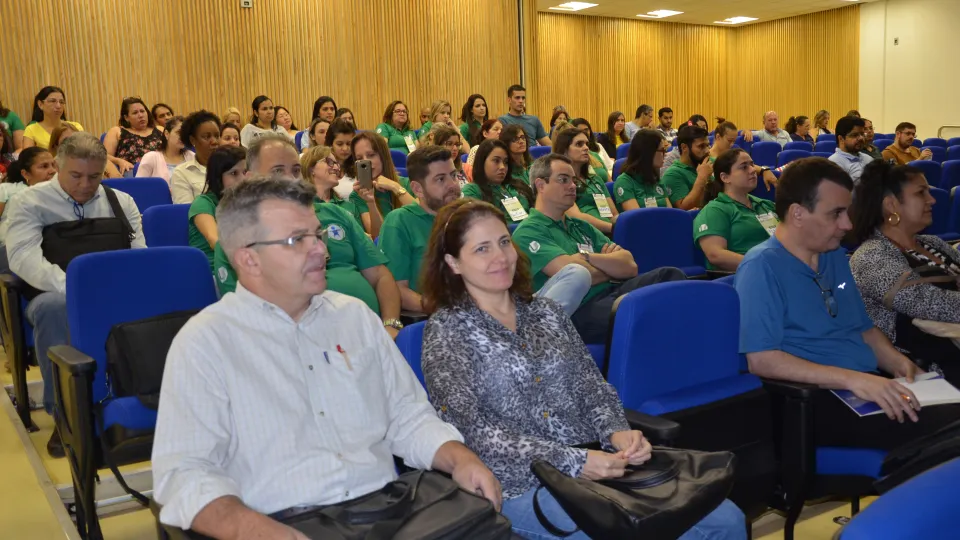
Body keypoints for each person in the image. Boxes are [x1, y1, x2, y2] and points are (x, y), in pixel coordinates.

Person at [152, 176, 500, 538]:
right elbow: (185, 475)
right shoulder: (206, 342)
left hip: (387, 511)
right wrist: (261, 533)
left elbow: (408, 417)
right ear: (248, 258)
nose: (322, 250)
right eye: (297, 240)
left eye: (317, 235)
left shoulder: (355, 317)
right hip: (279, 522)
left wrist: (460, 458)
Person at [420, 199, 746, 540]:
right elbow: (473, 432)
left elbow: (591, 385)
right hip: (518, 483)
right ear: (453, 262)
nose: (500, 257)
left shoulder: (547, 312)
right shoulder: (446, 331)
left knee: (726, 521)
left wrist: (618, 432)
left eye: (504, 242)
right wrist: (574, 461)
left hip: (598, 464)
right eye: (481, 249)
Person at [736, 157, 960, 450]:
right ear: (798, 214)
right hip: (815, 400)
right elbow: (762, 360)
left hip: (861, 387)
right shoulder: (761, 267)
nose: (848, 223)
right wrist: (853, 380)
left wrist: (899, 364)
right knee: (948, 430)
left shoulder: (831, 256)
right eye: (837, 213)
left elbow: (864, 329)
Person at [6, 133, 144, 457]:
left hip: (113, 290)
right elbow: (24, 258)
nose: (85, 184)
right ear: (58, 166)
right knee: (55, 308)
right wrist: (76, 288)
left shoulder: (121, 202)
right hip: (54, 292)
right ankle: (67, 417)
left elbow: (139, 253)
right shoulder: (29, 203)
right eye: (76, 176)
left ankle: (138, 403)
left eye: (95, 176)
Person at [514, 154, 686, 344]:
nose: (572, 185)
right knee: (644, 312)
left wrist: (585, 257)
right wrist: (610, 269)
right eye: (563, 179)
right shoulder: (528, 231)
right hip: (579, 309)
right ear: (541, 185)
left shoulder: (580, 225)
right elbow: (573, 275)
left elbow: (629, 266)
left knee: (670, 276)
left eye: (573, 180)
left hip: (612, 292)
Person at [849, 161, 960, 382]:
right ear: (891, 204)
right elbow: (931, 304)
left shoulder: (933, 243)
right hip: (925, 370)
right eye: (921, 193)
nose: (932, 200)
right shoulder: (871, 256)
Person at [378, 146, 464, 314]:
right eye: (440, 179)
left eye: (453, 176)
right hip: (431, 319)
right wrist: (447, 312)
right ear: (417, 189)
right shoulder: (400, 221)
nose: (452, 185)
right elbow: (396, 290)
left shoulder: (466, 215)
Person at [694, 149, 778, 272]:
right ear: (725, 177)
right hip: (744, 276)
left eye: (752, 164)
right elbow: (715, 255)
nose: (753, 170)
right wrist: (762, 265)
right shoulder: (715, 210)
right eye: (744, 167)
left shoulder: (765, 204)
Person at [189, 146, 247, 269]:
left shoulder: (248, 203)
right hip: (212, 272)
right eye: (234, 173)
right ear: (218, 177)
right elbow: (214, 241)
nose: (243, 179)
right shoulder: (203, 203)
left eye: (245, 172)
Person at [302, 145, 378, 236]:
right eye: (329, 162)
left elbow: (371, 239)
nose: (336, 168)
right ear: (311, 168)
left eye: (336, 163)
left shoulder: (349, 206)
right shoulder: (301, 205)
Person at [553, 127, 617, 234]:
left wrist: (622, 226)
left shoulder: (595, 179)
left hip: (610, 232)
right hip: (583, 234)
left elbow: (613, 214)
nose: (586, 148)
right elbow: (576, 217)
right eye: (579, 144)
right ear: (564, 150)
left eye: (586, 144)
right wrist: (613, 229)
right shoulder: (560, 182)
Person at [345, 131, 415, 218]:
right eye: (359, 158)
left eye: (371, 155)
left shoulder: (409, 183)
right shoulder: (359, 194)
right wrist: (371, 202)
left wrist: (395, 186)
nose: (366, 161)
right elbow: (377, 232)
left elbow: (426, 217)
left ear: (383, 155)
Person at [463, 139, 534, 223]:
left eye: (505, 162)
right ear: (482, 162)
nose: (502, 167)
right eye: (496, 161)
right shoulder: (472, 190)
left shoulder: (517, 185)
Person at [0, 148, 57, 249]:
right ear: (25, 174)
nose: (52, 171)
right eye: (44, 166)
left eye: (53, 165)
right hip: (12, 249)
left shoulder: (62, 195)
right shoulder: (14, 195)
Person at [613, 129, 673, 212]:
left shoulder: (655, 178)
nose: (665, 154)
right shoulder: (625, 182)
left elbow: (670, 213)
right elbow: (638, 219)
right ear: (649, 153)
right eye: (662, 150)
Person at [104, 97, 165, 176]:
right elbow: (104, 156)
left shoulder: (160, 129)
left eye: (142, 111)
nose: (140, 115)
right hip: (131, 173)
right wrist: (119, 161)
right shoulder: (117, 131)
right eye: (135, 113)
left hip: (161, 170)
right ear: (126, 118)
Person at [171, 110, 221, 204]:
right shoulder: (181, 173)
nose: (214, 141)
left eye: (217, 136)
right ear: (193, 140)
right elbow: (187, 212)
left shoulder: (231, 168)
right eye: (206, 137)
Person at [712, 119, 777, 191]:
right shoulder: (706, 158)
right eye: (729, 141)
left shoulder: (730, 154)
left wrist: (764, 170)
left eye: (734, 141)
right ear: (718, 137)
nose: (732, 144)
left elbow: (746, 165)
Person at [662, 124, 713, 210]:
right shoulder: (673, 174)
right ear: (684, 147)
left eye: (708, 145)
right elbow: (684, 209)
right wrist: (701, 179)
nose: (707, 150)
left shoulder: (704, 164)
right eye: (701, 146)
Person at [136, 116, 195, 184]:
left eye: (185, 134)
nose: (183, 136)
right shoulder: (151, 158)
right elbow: (139, 187)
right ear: (167, 134)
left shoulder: (192, 156)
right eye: (179, 132)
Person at [828, 116, 874, 184]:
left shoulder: (868, 159)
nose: (861, 138)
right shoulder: (833, 164)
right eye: (855, 135)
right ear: (841, 139)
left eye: (862, 134)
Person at [324, 119, 358, 198]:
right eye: (339, 144)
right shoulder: (321, 167)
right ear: (330, 144)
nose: (345, 148)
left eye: (349, 144)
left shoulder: (359, 166)